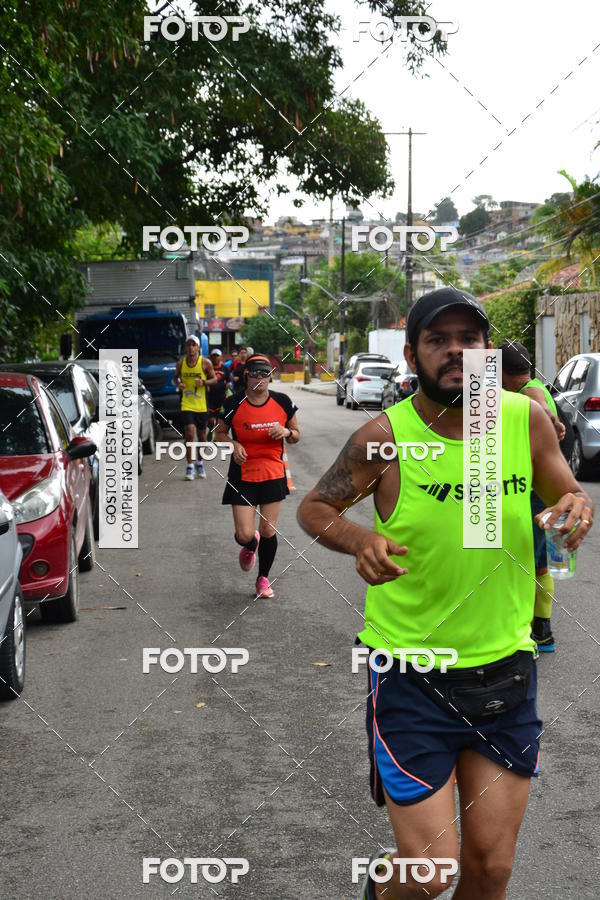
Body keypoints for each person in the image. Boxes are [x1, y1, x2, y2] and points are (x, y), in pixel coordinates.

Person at [297, 287, 593, 900]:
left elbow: (567, 491)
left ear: (488, 349)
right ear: (412, 355)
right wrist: (359, 541)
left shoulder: (524, 418)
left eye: (469, 339)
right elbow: (316, 507)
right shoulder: (385, 437)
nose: (456, 351)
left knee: (489, 871)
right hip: (411, 674)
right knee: (429, 874)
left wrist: (574, 508)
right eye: (438, 340)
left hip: (506, 671)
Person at [500, 340, 566, 654]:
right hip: (547, 491)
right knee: (540, 563)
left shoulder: (528, 393)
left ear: (502, 372)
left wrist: (549, 420)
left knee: (527, 563)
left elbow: (535, 400)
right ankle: (543, 631)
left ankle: (531, 635)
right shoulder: (536, 383)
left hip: (534, 493)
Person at [215, 353, 300, 599]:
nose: (259, 378)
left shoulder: (283, 402)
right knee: (243, 534)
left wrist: (285, 431)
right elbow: (218, 434)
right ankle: (250, 545)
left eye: (264, 373)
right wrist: (233, 445)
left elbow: (296, 435)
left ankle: (263, 579)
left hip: (272, 473)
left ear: (271, 377)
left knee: (268, 530)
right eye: (254, 373)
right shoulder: (233, 404)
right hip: (242, 473)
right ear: (247, 376)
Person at [173, 335, 217, 481]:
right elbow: (175, 378)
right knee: (190, 434)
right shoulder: (181, 363)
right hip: (187, 403)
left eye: (194, 345)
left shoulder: (205, 362)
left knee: (202, 436)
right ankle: (190, 466)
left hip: (202, 405)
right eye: (189, 345)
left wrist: (203, 382)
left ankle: (200, 463)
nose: (191, 348)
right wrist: (179, 384)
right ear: (186, 347)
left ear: (198, 347)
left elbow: (214, 379)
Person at [207, 348, 232, 437]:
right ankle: (210, 430)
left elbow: (229, 380)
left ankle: (216, 435)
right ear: (211, 357)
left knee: (219, 419)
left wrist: (229, 385)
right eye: (213, 356)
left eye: (217, 356)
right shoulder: (208, 368)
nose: (215, 357)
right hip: (209, 397)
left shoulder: (225, 368)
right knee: (211, 420)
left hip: (221, 397)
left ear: (220, 357)